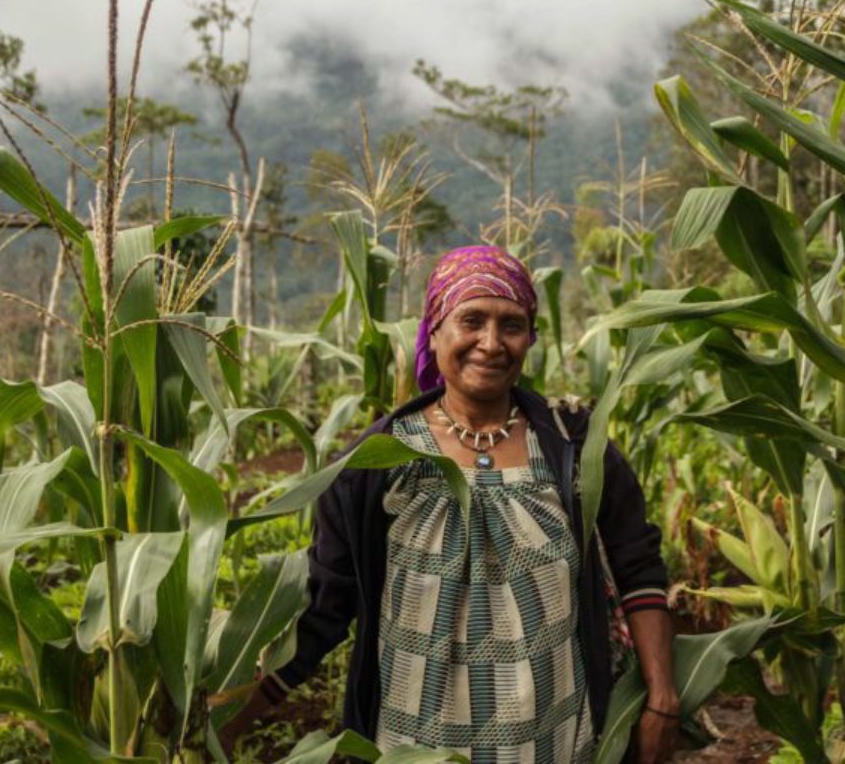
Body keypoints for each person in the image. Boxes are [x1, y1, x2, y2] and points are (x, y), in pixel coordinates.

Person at [221, 246, 677, 763]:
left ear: (530, 338)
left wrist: (661, 700)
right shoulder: (375, 462)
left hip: (554, 740)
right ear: (434, 331)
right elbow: (326, 607)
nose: (491, 342)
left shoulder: (574, 444)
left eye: (512, 325)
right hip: (413, 744)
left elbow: (637, 565)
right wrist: (233, 714)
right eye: (471, 320)